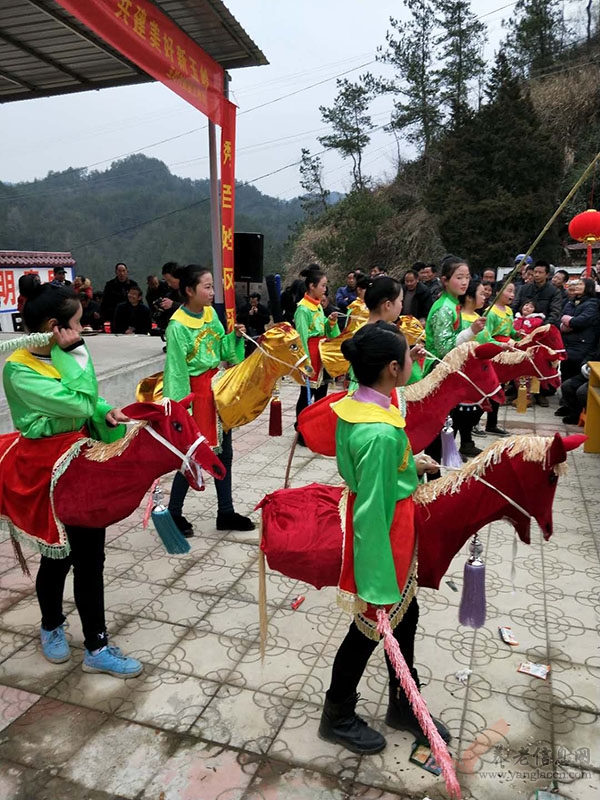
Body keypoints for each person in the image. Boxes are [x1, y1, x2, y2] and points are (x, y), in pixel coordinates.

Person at [318, 322, 450, 755]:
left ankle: (403, 701)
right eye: (411, 355)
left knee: (407, 618)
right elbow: (370, 510)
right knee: (368, 630)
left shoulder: (361, 405)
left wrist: (412, 467)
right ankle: (336, 714)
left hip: (398, 527)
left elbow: (379, 477)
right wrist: (374, 580)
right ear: (393, 368)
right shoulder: (376, 432)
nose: (416, 361)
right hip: (384, 540)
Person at [2, 283, 142, 677]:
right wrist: (76, 353)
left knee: (91, 557)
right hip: (46, 471)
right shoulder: (19, 370)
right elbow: (78, 400)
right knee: (56, 557)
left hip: (79, 461)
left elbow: (86, 402)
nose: (84, 329)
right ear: (54, 327)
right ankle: (51, 625)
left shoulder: (54, 356)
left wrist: (104, 410)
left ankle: (96, 645)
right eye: (79, 324)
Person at [163, 264, 253, 535]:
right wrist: (181, 408)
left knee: (225, 453)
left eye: (213, 286)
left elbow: (222, 349)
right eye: (207, 286)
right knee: (191, 455)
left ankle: (225, 511)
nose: (213, 291)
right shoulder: (177, 326)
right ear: (189, 290)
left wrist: (234, 337)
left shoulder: (211, 313)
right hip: (195, 395)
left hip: (217, 390)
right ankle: (173, 512)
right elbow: (176, 370)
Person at [425, 256, 486, 458]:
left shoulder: (453, 305)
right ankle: (433, 472)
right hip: (437, 370)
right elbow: (443, 348)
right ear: (445, 280)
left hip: (447, 370)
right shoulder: (444, 308)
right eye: (459, 277)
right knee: (437, 428)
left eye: (467, 277)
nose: (464, 282)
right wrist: (471, 331)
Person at [293, 265, 340, 443]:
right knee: (306, 395)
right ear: (312, 286)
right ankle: (301, 430)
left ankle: (317, 430)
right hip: (311, 354)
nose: (325, 289)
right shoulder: (303, 309)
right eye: (322, 285)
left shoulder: (318, 306)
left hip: (322, 354)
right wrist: (305, 362)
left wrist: (331, 321)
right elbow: (302, 338)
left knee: (321, 394)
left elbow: (325, 330)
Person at [559, 278, 600, 382]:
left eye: (580, 284)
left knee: (573, 376)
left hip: (582, 344)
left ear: (588, 287)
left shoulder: (593, 303)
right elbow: (559, 317)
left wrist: (568, 321)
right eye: (576, 284)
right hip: (567, 343)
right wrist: (563, 325)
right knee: (565, 374)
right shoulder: (570, 302)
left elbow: (581, 321)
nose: (577, 286)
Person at [511, 260, 562, 327]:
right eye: (535, 272)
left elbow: (555, 313)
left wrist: (543, 325)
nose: (537, 275)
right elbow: (514, 306)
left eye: (540, 273)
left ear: (547, 275)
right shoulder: (523, 289)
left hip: (543, 327)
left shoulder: (554, 291)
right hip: (521, 325)